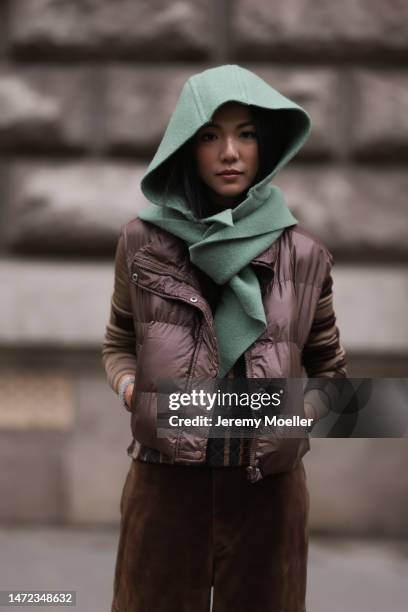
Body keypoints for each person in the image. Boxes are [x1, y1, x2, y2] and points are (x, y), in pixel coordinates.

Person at [102, 64, 347, 612]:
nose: (229, 152)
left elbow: (332, 377)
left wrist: (288, 417)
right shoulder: (141, 242)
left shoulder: (305, 255)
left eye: (247, 134)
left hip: (268, 494)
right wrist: (131, 392)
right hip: (163, 485)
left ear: (268, 145)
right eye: (210, 135)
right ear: (187, 145)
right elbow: (118, 342)